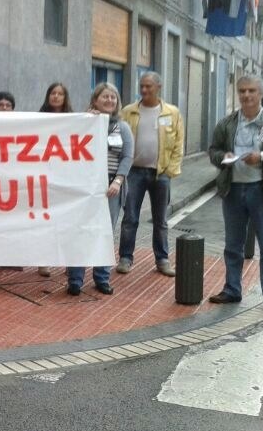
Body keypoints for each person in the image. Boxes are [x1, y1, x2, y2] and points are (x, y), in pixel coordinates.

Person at [208, 75, 263, 314]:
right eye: (242, 91)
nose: (246, 95)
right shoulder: (227, 123)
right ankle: (232, 289)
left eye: (251, 91)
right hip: (233, 190)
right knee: (233, 245)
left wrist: (262, 157)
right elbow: (213, 152)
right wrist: (223, 158)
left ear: (260, 94)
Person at [66, 83, 133, 296]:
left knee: (104, 233)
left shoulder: (123, 128)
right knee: (80, 232)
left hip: (111, 189)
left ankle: (102, 278)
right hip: (85, 189)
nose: (109, 101)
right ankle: (75, 280)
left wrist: (118, 181)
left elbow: (128, 156)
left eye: (113, 97)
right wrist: (85, 121)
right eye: (105, 97)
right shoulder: (85, 122)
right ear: (95, 100)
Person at [117, 72, 184, 277]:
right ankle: (125, 258)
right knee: (130, 218)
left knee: (160, 220)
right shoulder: (128, 111)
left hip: (160, 173)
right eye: (142, 86)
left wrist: (170, 170)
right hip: (134, 172)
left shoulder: (171, 113)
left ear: (158, 87)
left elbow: (179, 144)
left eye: (148, 86)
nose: (144, 90)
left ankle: (162, 259)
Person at [36, 82, 73, 277]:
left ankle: (69, 262)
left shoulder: (76, 120)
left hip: (66, 177)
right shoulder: (38, 119)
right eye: (53, 93)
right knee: (46, 221)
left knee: (65, 220)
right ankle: (44, 261)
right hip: (44, 176)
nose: (56, 97)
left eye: (60, 93)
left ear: (65, 98)